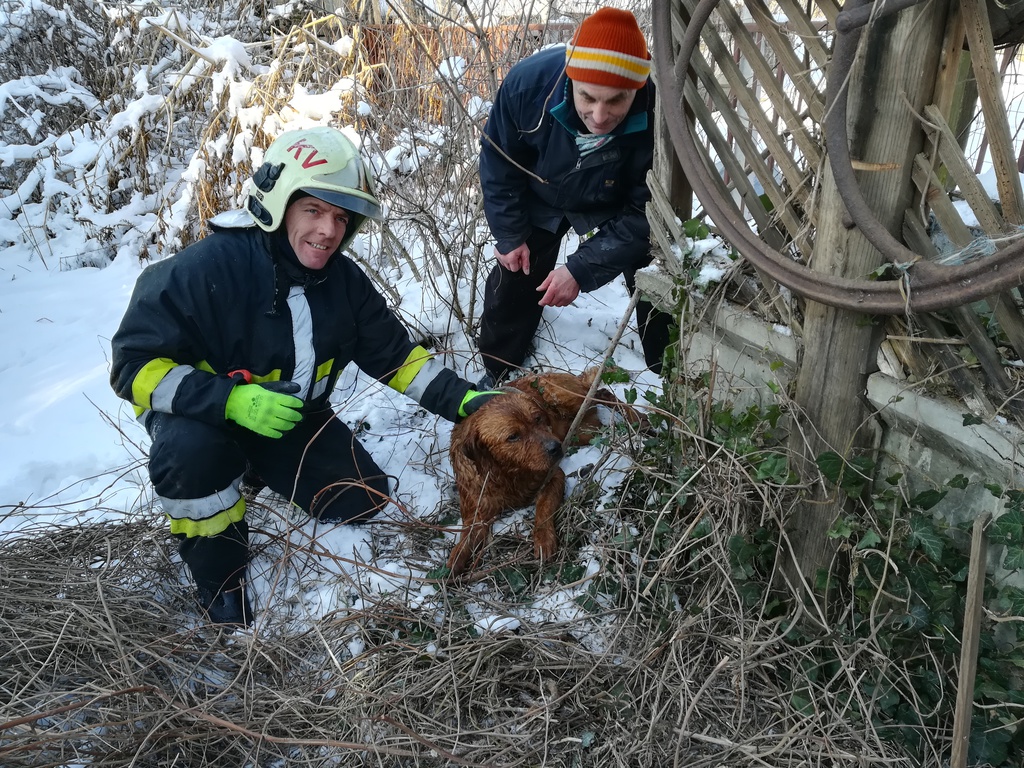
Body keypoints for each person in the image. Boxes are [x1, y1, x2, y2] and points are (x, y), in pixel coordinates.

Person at [110, 126, 498, 627]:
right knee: (192, 457)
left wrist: (464, 401)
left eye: (340, 217)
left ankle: (253, 468)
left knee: (362, 498)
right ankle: (220, 582)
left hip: (294, 417)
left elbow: (396, 358)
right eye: (313, 210)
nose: (328, 231)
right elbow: (132, 366)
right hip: (201, 422)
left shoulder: (343, 280)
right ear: (278, 203)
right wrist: (230, 402)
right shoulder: (203, 269)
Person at [476, 7, 674, 385]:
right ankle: (497, 369)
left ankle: (669, 373)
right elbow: (499, 164)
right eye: (587, 97)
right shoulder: (527, 87)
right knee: (516, 270)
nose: (599, 115)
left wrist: (580, 270)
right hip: (544, 190)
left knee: (655, 268)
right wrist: (509, 233)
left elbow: (646, 212)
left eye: (616, 101)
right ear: (570, 79)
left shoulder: (659, 114)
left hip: (616, 197)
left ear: (637, 89)